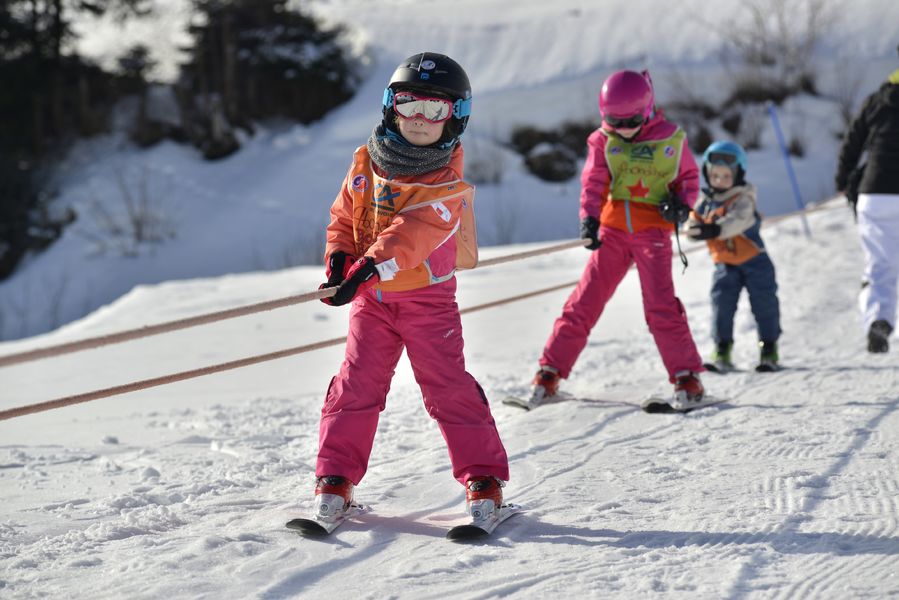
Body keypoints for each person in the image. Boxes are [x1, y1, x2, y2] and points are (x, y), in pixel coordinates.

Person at [313, 52, 510, 525]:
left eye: (435, 110)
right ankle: (335, 477)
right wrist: (340, 258)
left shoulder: (447, 185)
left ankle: (483, 479)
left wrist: (366, 268)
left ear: (455, 117)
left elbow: (412, 231)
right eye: (409, 104)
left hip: (427, 302)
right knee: (355, 386)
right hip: (372, 302)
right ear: (390, 106)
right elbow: (344, 216)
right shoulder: (366, 161)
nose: (420, 120)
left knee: (447, 387)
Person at [529, 69, 706, 409]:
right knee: (585, 301)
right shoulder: (603, 140)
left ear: (649, 108)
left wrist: (682, 206)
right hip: (612, 232)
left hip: (652, 232)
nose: (623, 130)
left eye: (632, 121)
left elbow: (688, 178)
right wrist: (589, 220)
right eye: (614, 121)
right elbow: (593, 182)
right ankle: (548, 373)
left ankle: (687, 378)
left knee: (660, 306)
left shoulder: (671, 139)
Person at [684, 141, 782, 372]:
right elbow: (691, 223)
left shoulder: (744, 198)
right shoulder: (705, 201)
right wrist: (694, 229)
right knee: (722, 305)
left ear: (738, 174)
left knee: (764, 304)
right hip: (725, 265)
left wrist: (714, 230)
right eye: (715, 175)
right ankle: (722, 348)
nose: (719, 181)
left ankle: (769, 348)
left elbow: (737, 221)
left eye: (726, 176)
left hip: (755, 263)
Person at [834, 46, 899, 354]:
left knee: (881, 263)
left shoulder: (877, 100)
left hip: (875, 193)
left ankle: (878, 319)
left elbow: (852, 142)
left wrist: (844, 182)